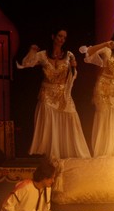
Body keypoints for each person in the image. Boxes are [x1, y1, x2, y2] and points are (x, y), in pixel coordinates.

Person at [18, 28, 91, 159]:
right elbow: (26, 64)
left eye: (64, 37)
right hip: (47, 93)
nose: (62, 39)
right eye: (59, 36)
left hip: (63, 94)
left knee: (71, 118)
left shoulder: (69, 55)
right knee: (49, 123)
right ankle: (51, 154)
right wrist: (32, 51)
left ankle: (70, 152)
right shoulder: (42, 55)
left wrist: (74, 67)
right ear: (53, 37)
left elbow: (73, 75)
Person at [82, 25, 114, 157]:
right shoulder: (107, 49)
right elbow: (89, 52)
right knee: (105, 120)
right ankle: (104, 151)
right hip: (104, 88)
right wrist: (105, 44)